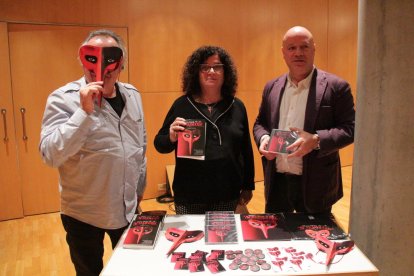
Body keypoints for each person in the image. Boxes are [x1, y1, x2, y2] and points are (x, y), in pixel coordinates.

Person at [39, 29, 147, 275]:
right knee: (89, 272)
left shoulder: (132, 95)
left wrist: (139, 189)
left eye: (110, 60)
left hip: (127, 207)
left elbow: (140, 146)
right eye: (91, 59)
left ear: (120, 65)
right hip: (84, 214)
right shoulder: (62, 99)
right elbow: (50, 154)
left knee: (134, 269)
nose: (100, 68)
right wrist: (83, 113)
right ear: (82, 61)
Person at [253, 26, 355, 214]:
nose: (298, 53)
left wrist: (316, 140)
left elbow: (351, 129)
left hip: (317, 184)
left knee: (314, 240)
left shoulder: (336, 87)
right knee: (277, 239)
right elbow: (260, 123)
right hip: (277, 182)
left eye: (304, 47)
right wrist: (264, 138)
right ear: (283, 53)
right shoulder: (272, 87)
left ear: (314, 49)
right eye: (291, 48)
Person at [154, 45, 255, 214]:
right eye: (205, 67)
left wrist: (248, 185)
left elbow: (246, 149)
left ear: (225, 72)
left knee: (223, 239)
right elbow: (159, 144)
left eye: (217, 67)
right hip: (189, 195)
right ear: (196, 72)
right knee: (191, 239)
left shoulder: (237, 106)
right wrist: (171, 136)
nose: (211, 71)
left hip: (227, 193)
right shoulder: (182, 105)